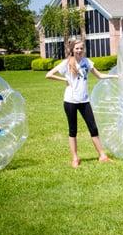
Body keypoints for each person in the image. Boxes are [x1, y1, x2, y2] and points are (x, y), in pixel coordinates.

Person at [46, 39, 117, 168]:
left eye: (81, 48)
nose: (79, 50)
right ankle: (75, 158)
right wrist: (64, 79)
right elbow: (49, 74)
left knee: (93, 128)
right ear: (72, 49)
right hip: (70, 102)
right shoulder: (67, 63)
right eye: (77, 48)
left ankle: (102, 156)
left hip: (84, 101)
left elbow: (99, 76)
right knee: (73, 130)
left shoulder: (87, 62)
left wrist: (116, 76)